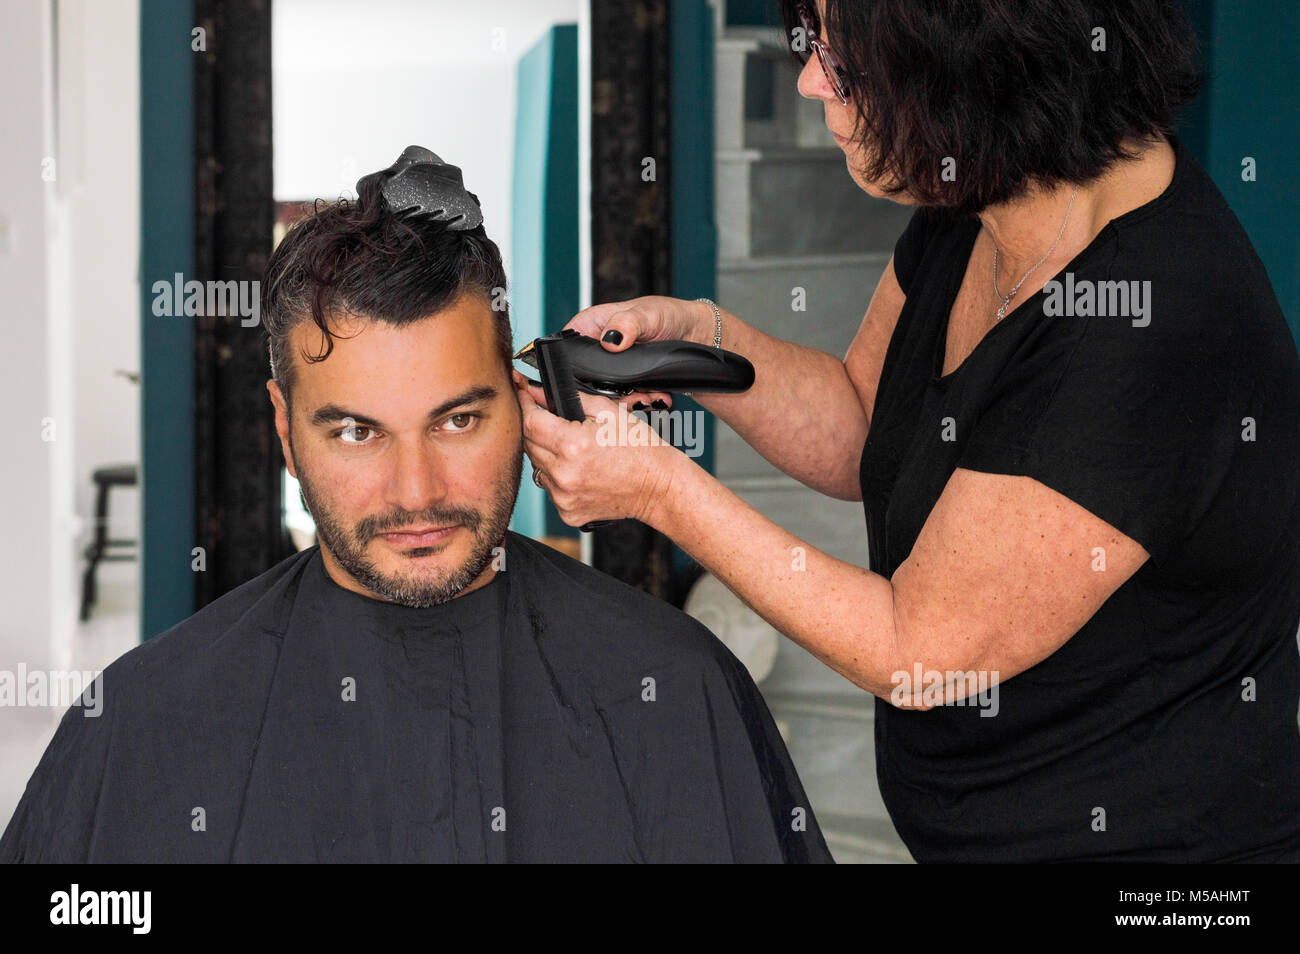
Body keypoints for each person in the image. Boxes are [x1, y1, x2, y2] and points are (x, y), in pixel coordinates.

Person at [514, 0, 1300, 861]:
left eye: (843, 64)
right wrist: (702, 340)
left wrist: (660, 488)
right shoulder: (988, 198)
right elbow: (861, 421)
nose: (810, 78)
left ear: (972, 66)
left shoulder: (1148, 328)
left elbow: (913, 646)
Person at [0, 147, 831, 864]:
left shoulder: (674, 686)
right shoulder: (146, 722)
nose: (417, 492)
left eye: (458, 420)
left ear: (524, 402)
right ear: (286, 432)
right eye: (357, 433)